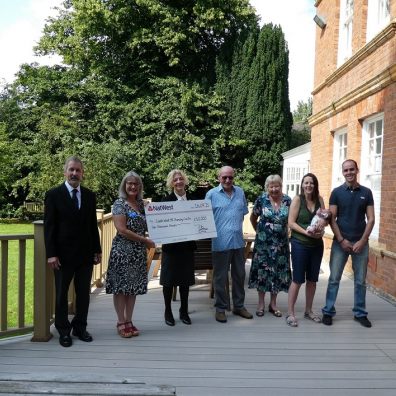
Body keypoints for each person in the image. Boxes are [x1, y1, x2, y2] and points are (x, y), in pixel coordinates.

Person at [44, 156, 102, 347]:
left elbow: (92, 226)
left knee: (83, 294)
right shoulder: (53, 194)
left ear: (82, 173)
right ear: (65, 172)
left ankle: (80, 327)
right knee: (61, 295)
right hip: (62, 256)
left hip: (85, 255)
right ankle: (63, 330)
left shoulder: (89, 195)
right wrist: (51, 254)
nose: (74, 173)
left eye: (78, 170)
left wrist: (97, 249)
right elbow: (49, 227)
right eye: (71, 170)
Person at [322, 159, 375, 327]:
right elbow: (332, 219)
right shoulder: (336, 192)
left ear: (357, 170)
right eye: (346, 170)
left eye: (352, 169)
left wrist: (363, 240)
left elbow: (371, 219)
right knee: (334, 278)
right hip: (340, 243)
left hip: (361, 242)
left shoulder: (366, 192)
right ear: (342, 172)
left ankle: (360, 313)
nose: (349, 172)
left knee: (360, 280)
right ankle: (328, 311)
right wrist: (341, 240)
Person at [105, 171, 155, 338]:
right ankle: (120, 321)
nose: (132, 186)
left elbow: (155, 222)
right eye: (129, 183)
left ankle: (129, 320)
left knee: (132, 288)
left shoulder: (142, 205)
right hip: (122, 251)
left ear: (139, 186)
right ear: (124, 185)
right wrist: (145, 240)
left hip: (137, 252)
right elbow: (122, 230)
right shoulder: (119, 203)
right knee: (120, 288)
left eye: (136, 184)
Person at [205, 166, 253, 323]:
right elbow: (203, 219)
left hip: (238, 242)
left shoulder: (240, 192)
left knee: (239, 275)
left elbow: (243, 213)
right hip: (220, 243)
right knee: (219, 277)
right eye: (224, 177)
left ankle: (239, 306)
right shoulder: (211, 195)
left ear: (234, 177)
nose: (227, 180)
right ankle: (220, 308)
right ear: (219, 177)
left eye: (230, 177)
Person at [248, 175, 291, 318]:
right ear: (267, 187)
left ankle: (273, 304)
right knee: (262, 272)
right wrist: (259, 232)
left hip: (281, 245)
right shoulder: (262, 199)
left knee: (278, 272)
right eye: (271, 186)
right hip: (263, 244)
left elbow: (292, 220)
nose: (274, 189)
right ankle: (261, 304)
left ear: (281, 186)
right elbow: (253, 218)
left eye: (276, 186)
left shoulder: (287, 201)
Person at [286, 173, 325, 327]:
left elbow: (324, 219)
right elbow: (291, 223)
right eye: (306, 183)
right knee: (297, 279)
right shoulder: (297, 200)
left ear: (315, 185)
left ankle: (308, 311)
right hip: (300, 244)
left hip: (317, 245)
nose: (309, 185)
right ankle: (290, 313)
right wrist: (306, 232)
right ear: (302, 185)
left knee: (312, 280)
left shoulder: (320, 200)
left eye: (312, 183)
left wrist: (321, 229)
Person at [160, 169, 197, 326]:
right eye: (175, 180)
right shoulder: (165, 201)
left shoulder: (194, 201)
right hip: (170, 247)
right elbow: (160, 225)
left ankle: (184, 311)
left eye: (181, 179)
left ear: (185, 181)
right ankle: (168, 311)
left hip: (187, 247)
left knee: (185, 281)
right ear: (171, 183)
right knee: (168, 281)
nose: (179, 182)